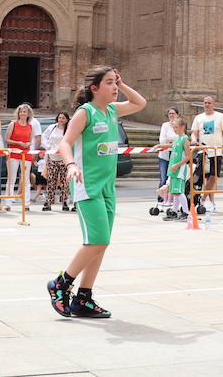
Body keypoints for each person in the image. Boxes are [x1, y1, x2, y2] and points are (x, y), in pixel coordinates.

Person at [46, 66, 148, 319]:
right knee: (98, 240)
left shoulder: (112, 110)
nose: (114, 87)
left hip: (106, 186)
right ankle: (60, 284)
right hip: (86, 183)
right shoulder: (86, 112)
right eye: (110, 83)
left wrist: (123, 84)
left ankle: (83, 299)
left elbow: (140, 102)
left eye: (116, 82)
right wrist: (70, 165)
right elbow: (65, 143)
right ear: (95, 88)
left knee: (99, 245)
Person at [190, 95, 223, 214]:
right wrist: (193, 140)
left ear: (213, 104)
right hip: (203, 150)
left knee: (213, 176)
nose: (206, 105)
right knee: (202, 177)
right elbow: (194, 133)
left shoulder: (220, 116)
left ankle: (203, 199)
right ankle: (207, 201)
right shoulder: (198, 118)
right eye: (205, 103)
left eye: (209, 103)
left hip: (216, 151)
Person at [4, 103, 39, 211]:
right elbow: (7, 139)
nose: (23, 113)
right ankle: (8, 203)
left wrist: (28, 144)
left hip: (26, 154)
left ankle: (26, 203)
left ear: (28, 114)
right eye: (21, 111)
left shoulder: (30, 126)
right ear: (18, 113)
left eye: (25, 112)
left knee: (26, 179)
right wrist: (18, 143)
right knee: (11, 179)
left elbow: (30, 140)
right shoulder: (13, 124)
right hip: (14, 153)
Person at [40, 111, 73, 211]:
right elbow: (44, 137)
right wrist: (47, 146)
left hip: (64, 159)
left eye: (63, 118)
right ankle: (49, 201)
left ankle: (64, 202)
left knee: (64, 182)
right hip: (52, 157)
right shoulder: (52, 127)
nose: (61, 120)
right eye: (59, 118)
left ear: (67, 120)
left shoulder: (69, 130)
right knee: (51, 180)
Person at [163, 116, 191, 220]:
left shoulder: (185, 139)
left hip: (180, 168)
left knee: (178, 191)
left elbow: (188, 156)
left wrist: (177, 165)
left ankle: (186, 212)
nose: (174, 129)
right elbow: (171, 146)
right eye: (173, 127)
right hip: (173, 168)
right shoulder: (177, 139)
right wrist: (159, 145)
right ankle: (174, 211)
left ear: (182, 127)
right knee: (174, 191)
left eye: (176, 127)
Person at [157, 107, 180, 202]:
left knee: (172, 179)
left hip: (175, 156)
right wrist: (172, 141)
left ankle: (171, 200)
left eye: (173, 113)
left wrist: (170, 140)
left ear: (177, 115)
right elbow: (162, 140)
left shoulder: (179, 125)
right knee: (163, 178)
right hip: (164, 155)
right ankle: (161, 199)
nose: (171, 115)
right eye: (170, 113)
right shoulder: (165, 125)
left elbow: (181, 138)